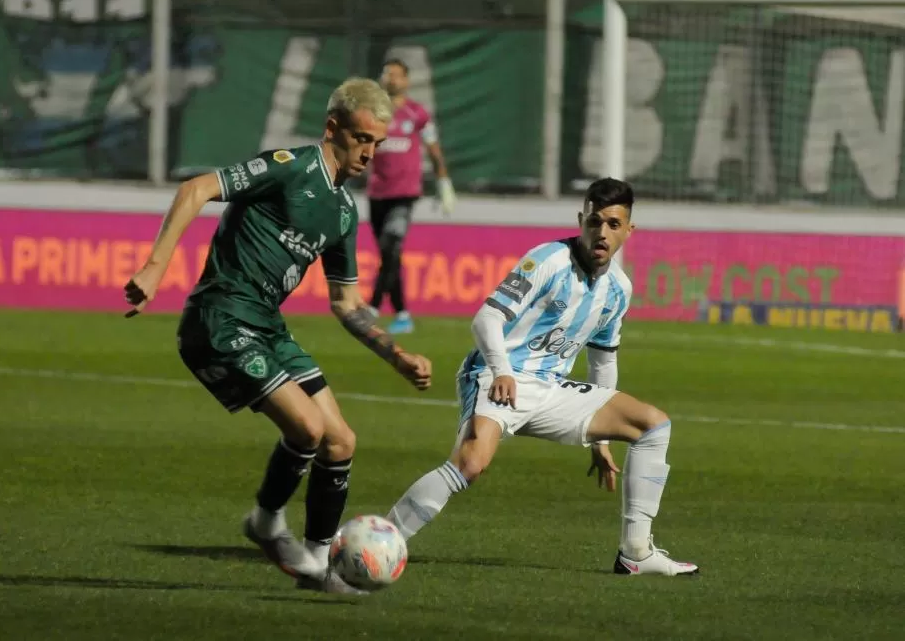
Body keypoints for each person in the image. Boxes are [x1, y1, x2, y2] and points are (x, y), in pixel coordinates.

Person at [122, 77, 434, 594]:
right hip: (220, 319)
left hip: (266, 325)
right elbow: (195, 189)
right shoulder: (289, 167)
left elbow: (346, 303)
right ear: (333, 127)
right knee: (308, 430)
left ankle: (318, 565)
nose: (370, 153)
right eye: (362, 139)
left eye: (377, 144)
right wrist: (156, 268)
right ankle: (266, 521)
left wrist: (395, 355)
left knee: (341, 441)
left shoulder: (342, 210)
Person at [386, 177, 698, 577]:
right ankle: (383, 539)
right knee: (471, 464)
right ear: (581, 219)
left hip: (550, 389)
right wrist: (501, 370)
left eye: (614, 225)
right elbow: (488, 317)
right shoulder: (548, 260)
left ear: (628, 230)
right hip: (498, 375)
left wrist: (601, 441)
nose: (602, 233)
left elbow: (602, 362)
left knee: (653, 426)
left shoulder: (619, 289)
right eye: (595, 222)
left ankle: (635, 552)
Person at [365, 58, 456, 335]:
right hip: (377, 192)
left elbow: (433, 148)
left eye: (395, 74)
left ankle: (372, 308)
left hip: (404, 195)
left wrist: (443, 182)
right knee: (388, 255)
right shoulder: (373, 113)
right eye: (386, 73)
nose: (390, 78)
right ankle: (403, 314)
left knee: (392, 245)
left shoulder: (417, 114)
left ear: (406, 81)